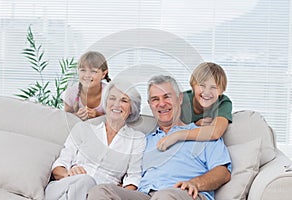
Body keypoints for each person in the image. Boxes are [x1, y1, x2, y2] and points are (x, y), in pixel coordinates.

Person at [87, 75, 231, 200]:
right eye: (155, 99)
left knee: (164, 196)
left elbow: (223, 173)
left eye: (167, 96)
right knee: (101, 191)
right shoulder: (143, 141)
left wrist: (195, 183)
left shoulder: (202, 134)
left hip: (183, 194)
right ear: (150, 105)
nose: (161, 103)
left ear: (180, 98)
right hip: (145, 195)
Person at [44, 80, 146, 200]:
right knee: (85, 181)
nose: (116, 104)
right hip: (66, 186)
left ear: (132, 108)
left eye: (124, 100)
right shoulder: (83, 128)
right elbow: (59, 166)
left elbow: (133, 177)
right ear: (105, 102)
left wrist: (116, 193)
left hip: (99, 194)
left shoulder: (137, 139)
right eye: (112, 98)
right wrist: (68, 173)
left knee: (90, 186)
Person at [156, 62, 232, 151]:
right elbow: (165, 124)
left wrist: (179, 135)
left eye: (213, 87)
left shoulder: (223, 102)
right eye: (202, 86)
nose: (207, 92)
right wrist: (195, 125)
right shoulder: (181, 100)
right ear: (193, 85)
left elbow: (215, 132)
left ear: (221, 91)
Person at [64, 51, 111, 121]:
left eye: (93, 71)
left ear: (104, 74)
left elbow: (116, 118)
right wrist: (76, 115)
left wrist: (97, 114)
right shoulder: (71, 93)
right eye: (83, 70)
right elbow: (65, 119)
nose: (87, 75)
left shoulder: (110, 93)